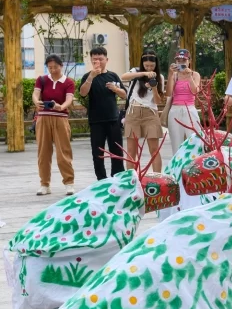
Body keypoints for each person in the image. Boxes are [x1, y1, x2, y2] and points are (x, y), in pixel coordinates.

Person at [79, 46, 127, 180]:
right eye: (95, 59)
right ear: (91, 60)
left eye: (100, 59)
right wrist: (91, 76)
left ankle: (117, 177)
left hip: (113, 119)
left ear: (107, 59)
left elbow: (124, 95)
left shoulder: (113, 76)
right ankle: (101, 179)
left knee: (117, 151)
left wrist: (116, 89)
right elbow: (83, 93)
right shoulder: (87, 76)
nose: (98, 62)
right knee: (98, 153)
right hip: (96, 121)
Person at [33, 54, 75, 196]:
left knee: (63, 152)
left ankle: (69, 183)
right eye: (50, 67)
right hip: (43, 118)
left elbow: (69, 99)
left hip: (60, 118)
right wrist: (36, 102)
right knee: (43, 152)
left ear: (61, 66)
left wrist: (61, 106)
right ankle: (44, 184)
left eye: (55, 67)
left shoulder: (68, 82)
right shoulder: (42, 80)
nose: (52, 70)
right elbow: (35, 94)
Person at [121, 50, 165, 173]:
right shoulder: (135, 72)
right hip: (133, 112)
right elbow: (123, 77)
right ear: (142, 64)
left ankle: (157, 177)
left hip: (150, 113)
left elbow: (157, 101)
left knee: (154, 149)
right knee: (131, 150)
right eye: (146, 65)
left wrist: (154, 88)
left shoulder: (160, 77)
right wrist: (143, 73)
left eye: (152, 65)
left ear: (156, 64)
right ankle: (131, 179)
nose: (149, 68)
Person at [165, 49, 201, 154]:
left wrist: (189, 77)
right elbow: (168, 93)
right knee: (176, 142)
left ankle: (194, 162)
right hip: (175, 109)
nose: (181, 63)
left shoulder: (195, 74)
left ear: (189, 61)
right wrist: (170, 74)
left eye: (184, 61)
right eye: (178, 61)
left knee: (195, 140)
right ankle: (177, 163)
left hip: (190, 108)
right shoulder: (174, 75)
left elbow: (195, 92)